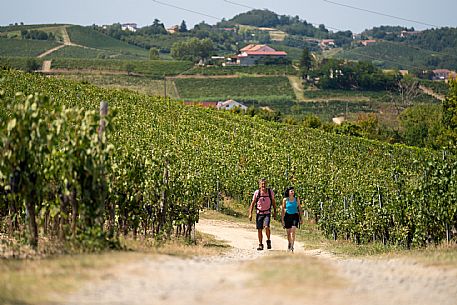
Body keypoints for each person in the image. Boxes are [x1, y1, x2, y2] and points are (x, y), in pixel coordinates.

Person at [248, 178, 277, 250]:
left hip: (267, 213)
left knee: (266, 226)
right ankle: (260, 244)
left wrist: (275, 212)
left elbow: (273, 202)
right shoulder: (257, 193)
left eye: (264, 184)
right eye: (262, 184)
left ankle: (268, 240)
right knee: (259, 229)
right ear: (259, 185)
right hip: (259, 213)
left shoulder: (270, 192)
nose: (263, 185)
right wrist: (250, 213)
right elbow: (253, 203)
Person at [281, 186, 302, 252]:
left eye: (293, 191)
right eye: (291, 191)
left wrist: (301, 218)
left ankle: (292, 246)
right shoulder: (285, 200)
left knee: (293, 231)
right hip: (287, 216)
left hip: (295, 216)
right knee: (288, 233)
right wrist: (282, 219)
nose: (292, 192)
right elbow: (283, 209)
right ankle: (289, 243)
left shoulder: (296, 199)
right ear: (288, 192)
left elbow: (299, 208)